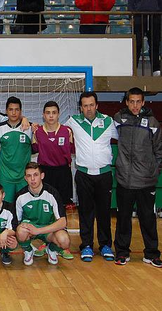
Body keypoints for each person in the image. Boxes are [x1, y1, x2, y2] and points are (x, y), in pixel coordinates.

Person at [65, 91, 118, 262]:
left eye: (91, 105)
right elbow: (54, 129)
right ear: (80, 107)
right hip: (83, 175)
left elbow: (125, 137)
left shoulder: (109, 121)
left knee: (104, 212)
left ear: (97, 105)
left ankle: (105, 245)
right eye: (85, 105)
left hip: (104, 174)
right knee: (86, 212)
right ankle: (86, 245)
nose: (88, 109)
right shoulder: (73, 121)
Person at [113, 87, 162, 267]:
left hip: (145, 181)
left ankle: (151, 253)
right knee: (123, 218)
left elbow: (159, 151)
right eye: (131, 101)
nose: (134, 105)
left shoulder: (153, 123)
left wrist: (153, 170)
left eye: (138, 102)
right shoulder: (119, 120)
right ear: (126, 102)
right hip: (125, 180)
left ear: (143, 103)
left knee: (148, 219)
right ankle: (122, 253)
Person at [32, 101, 75, 260]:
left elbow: (73, 150)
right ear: (43, 115)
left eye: (54, 113)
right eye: (48, 113)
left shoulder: (67, 131)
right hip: (46, 172)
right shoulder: (37, 133)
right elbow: (33, 150)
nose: (51, 116)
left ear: (58, 114)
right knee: (48, 207)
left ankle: (64, 243)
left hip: (63, 171)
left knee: (62, 207)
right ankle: (48, 239)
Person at [16, 162, 70, 266]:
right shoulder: (20, 196)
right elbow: (16, 222)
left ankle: (51, 249)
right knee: (21, 231)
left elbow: (63, 222)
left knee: (64, 241)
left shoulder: (52, 193)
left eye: (35, 175)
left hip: (48, 230)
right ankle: (28, 250)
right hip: (30, 230)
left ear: (42, 176)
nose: (32, 179)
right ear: (25, 178)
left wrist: (39, 230)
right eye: (29, 176)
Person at [0, 96, 32, 204]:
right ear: (6, 111)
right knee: (6, 206)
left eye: (17, 110)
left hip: (23, 176)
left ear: (21, 111)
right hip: (5, 176)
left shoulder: (29, 127)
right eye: (11, 109)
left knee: (24, 206)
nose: (14, 113)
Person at [128, 0, 161, 76]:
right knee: (137, 44)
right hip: (139, 16)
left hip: (155, 16)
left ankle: (156, 69)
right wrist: (131, 15)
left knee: (155, 43)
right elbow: (130, 2)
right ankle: (133, 68)